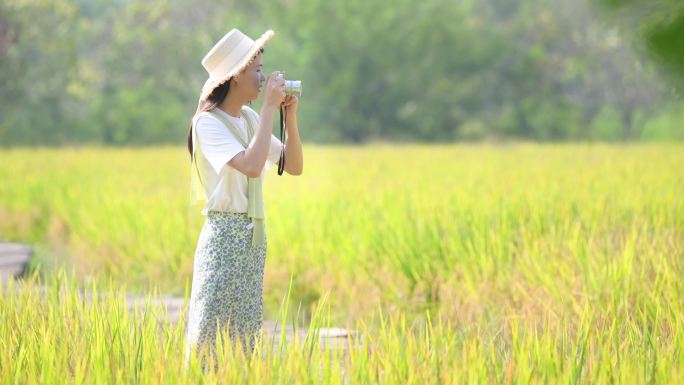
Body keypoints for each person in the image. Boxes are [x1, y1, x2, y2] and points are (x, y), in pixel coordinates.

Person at [183, 28, 303, 369]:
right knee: (211, 333)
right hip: (224, 240)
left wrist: (288, 118)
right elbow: (251, 166)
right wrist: (268, 110)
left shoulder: (250, 118)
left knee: (244, 340)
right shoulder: (207, 124)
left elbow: (293, 166)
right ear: (235, 76)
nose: (263, 78)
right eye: (257, 70)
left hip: (252, 239)